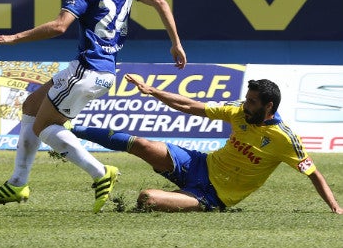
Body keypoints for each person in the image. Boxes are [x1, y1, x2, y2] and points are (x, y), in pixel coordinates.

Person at [0, 0, 187, 213]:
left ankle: (100, 172)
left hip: (87, 69)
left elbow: (59, 26)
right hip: (102, 70)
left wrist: (14, 38)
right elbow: (161, 2)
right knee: (31, 105)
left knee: (42, 127)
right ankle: (17, 181)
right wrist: (176, 43)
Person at [70, 75, 343, 214]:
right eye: (246, 99)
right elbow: (190, 106)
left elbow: (313, 173)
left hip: (215, 196)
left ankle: (182, 197)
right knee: (142, 144)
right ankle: (71, 128)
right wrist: (152, 91)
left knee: (148, 198)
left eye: (252, 102)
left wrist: (335, 206)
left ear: (268, 106)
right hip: (198, 163)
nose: (245, 105)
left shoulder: (284, 139)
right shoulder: (238, 112)